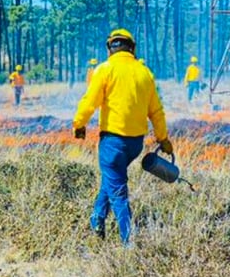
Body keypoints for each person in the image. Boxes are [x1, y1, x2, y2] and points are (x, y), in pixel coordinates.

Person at [73, 29, 172, 244]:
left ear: (110, 48)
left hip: (112, 142)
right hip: (135, 144)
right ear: (132, 48)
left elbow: (90, 101)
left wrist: (79, 124)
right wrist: (163, 139)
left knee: (118, 191)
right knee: (111, 180)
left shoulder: (105, 69)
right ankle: (97, 221)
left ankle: (129, 242)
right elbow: (156, 111)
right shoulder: (144, 72)